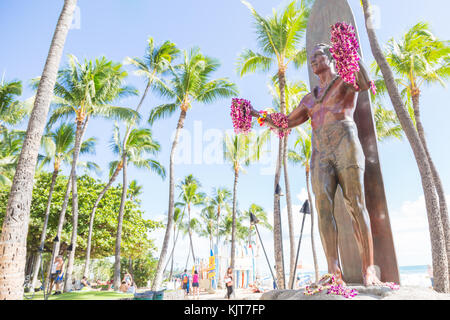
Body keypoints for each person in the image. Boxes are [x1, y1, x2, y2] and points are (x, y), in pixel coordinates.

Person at [250, 43, 381, 286]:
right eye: (311, 59)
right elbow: (284, 122)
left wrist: (350, 49)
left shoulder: (344, 80)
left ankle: (368, 270)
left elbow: (364, 83)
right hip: (320, 152)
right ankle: (334, 273)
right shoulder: (309, 99)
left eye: (318, 56)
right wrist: (255, 113)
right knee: (322, 209)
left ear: (331, 57)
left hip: (345, 143)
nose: (313, 61)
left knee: (357, 205)